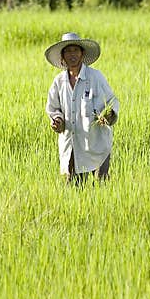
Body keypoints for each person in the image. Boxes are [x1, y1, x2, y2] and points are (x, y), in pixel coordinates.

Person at [44, 32, 119, 185]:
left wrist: (109, 115)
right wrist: (57, 121)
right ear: (62, 57)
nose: (72, 55)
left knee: (101, 184)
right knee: (74, 186)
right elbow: (53, 108)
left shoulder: (95, 77)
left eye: (75, 50)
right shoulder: (59, 82)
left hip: (96, 143)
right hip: (72, 144)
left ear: (82, 53)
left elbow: (112, 101)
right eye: (68, 51)